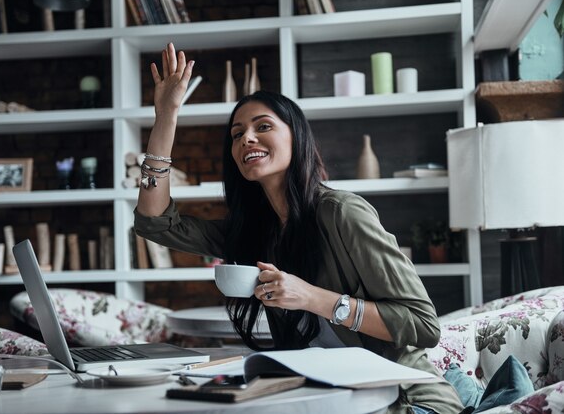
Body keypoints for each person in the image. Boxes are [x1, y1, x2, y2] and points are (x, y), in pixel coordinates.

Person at [134, 43, 463, 414]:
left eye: (263, 127)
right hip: (327, 399)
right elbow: (155, 223)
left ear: (296, 138)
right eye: (237, 133)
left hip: (406, 401)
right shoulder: (252, 231)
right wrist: (166, 116)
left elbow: (422, 325)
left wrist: (311, 297)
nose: (247, 139)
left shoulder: (342, 213)